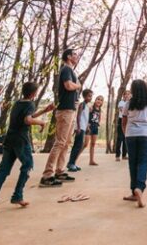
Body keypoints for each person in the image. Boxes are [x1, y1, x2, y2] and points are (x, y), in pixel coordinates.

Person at [0, 82, 54, 210]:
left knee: (3, 171)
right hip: (21, 140)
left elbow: (26, 116)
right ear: (33, 93)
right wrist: (41, 122)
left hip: (10, 139)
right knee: (27, 165)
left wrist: (44, 111)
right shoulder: (30, 104)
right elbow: (28, 120)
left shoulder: (18, 103)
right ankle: (17, 195)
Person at [40, 49, 81, 187]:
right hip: (64, 111)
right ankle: (47, 175)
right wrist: (79, 85)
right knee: (60, 142)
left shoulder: (70, 70)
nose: (77, 56)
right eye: (75, 54)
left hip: (70, 110)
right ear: (69, 57)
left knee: (66, 142)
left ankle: (59, 171)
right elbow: (68, 86)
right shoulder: (66, 70)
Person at [122, 79, 147, 208]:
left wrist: (126, 133)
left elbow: (123, 122)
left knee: (132, 163)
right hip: (144, 134)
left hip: (131, 135)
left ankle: (134, 192)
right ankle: (139, 188)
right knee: (143, 162)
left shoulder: (128, 103)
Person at [67, 89, 92, 172]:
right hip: (80, 128)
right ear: (84, 96)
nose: (90, 98)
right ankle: (71, 163)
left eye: (91, 96)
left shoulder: (87, 106)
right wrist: (78, 127)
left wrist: (87, 126)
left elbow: (85, 118)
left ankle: (73, 162)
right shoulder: (82, 104)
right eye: (89, 96)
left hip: (83, 127)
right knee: (77, 146)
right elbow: (78, 116)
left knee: (79, 146)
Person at [86, 95, 103, 166]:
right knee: (85, 144)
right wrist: (87, 125)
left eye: (101, 100)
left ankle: (91, 161)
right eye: (98, 99)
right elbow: (86, 116)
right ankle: (74, 160)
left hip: (95, 127)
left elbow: (99, 118)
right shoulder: (91, 108)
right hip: (89, 127)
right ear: (95, 100)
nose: (99, 101)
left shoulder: (99, 109)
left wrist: (98, 124)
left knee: (93, 144)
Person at [115, 90, 130, 161]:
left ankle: (124, 155)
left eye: (128, 94)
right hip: (121, 120)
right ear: (123, 96)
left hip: (128, 121)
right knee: (119, 138)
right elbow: (122, 110)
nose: (127, 96)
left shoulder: (130, 103)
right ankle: (117, 155)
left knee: (125, 138)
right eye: (125, 94)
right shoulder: (121, 102)